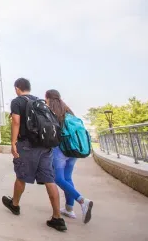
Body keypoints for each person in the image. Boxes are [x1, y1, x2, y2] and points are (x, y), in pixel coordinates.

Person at [2, 78, 67, 232]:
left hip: (27, 145)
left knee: (21, 175)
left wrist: (12, 143)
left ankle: (15, 204)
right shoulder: (39, 102)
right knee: (49, 179)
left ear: (17, 88)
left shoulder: (17, 101)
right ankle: (57, 217)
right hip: (45, 145)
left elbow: (16, 122)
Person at [45, 89, 94, 224]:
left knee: (58, 178)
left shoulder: (51, 111)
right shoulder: (68, 111)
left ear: (47, 97)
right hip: (73, 149)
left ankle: (82, 201)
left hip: (60, 149)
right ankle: (69, 209)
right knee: (67, 178)